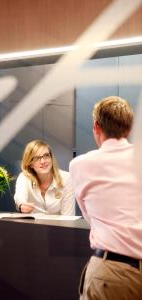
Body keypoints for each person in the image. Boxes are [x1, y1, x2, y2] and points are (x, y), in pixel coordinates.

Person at [69, 96, 142, 300]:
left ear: (96, 126)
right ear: (128, 128)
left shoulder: (80, 165)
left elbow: (90, 217)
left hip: (112, 273)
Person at [14, 139, 75, 215]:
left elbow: (68, 216)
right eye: (36, 158)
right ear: (30, 163)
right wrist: (21, 205)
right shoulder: (24, 177)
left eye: (46, 156)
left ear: (51, 158)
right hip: (32, 225)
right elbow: (19, 198)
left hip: (59, 226)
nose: (43, 161)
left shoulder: (67, 178)